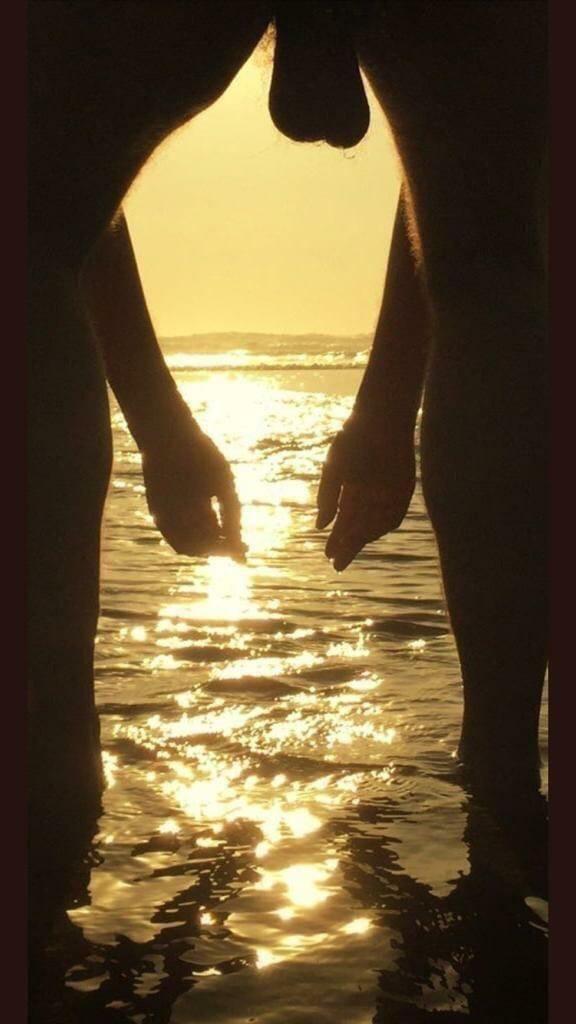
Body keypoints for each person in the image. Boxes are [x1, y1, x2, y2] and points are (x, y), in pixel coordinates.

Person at [272, 1, 547, 797]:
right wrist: (385, 408)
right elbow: (453, 169)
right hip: (493, 357)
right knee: (497, 756)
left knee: (498, 759)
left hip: (501, 358)